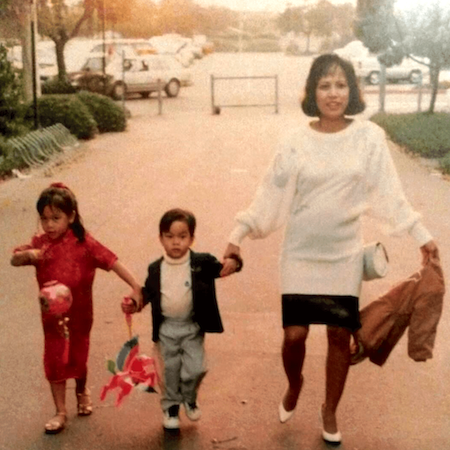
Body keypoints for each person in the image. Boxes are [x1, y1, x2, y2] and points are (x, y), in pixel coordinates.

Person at [221, 53, 438, 445]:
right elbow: (270, 194)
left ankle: (330, 409)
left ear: (352, 90)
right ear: (312, 92)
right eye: (324, 85)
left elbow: (390, 194)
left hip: (343, 257)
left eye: (341, 85)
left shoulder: (369, 138)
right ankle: (295, 382)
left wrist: (421, 234)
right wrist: (239, 234)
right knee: (294, 336)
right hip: (300, 256)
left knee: (339, 335)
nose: (333, 93)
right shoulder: (295, 141)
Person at [10, 183, 142, 435]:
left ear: (71, 217)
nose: (49, 225)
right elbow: (14, 258)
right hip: (52, 320)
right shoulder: (41, 244)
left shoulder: (84, 243)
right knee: (54, 361)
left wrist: (136, 285)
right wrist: (28, 256)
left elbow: (112, 261)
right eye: (44, 219)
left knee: (78, 359)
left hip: (80, 318)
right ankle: (60, 411)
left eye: (56, 218)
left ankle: (82, 390)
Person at [122, 208, 242, 430]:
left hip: (193, 328)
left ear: (191, 238)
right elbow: (148, 292)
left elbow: (224, 269)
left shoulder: (201, 263)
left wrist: (234, 262)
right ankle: (171, 407)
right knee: (169, 371)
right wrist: (135, 303)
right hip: (166, 329)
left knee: (196, 368)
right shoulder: (156, 268)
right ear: (161, 239)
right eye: (169, 237)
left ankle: (189, 397)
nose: (175, 242)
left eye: (182, 236)